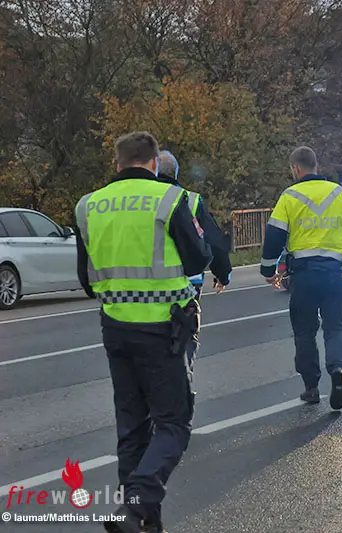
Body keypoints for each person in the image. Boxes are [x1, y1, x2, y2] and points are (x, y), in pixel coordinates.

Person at [74, 132, 212, 533]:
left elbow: (86, 279)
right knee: (172, 424)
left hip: (116, 328)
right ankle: (137, 506)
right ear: (154, 163)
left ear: (117, 164)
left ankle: (139, 520)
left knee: (132, 428)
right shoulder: (170, 200)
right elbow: (198, 258)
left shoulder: (89, 206)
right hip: (163, 330)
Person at [260, 146, 342, 410]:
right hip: (335, 274)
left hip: (304, 276)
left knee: (305, 332)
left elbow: (274, 236)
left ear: (296, 168)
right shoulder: (339, 193)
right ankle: (338, 371)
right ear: (315, 166)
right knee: (335, 328)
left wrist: (268, 270)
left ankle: (311, 387)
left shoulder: (290, 196)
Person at [157, 150, 233, 375]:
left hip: (145, 286)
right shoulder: (191, 200)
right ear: (177, 173)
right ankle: (184, 383)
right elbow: (215, 242)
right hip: (188, 285)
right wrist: (223, 273)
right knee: (185, 337)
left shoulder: (139, 200)